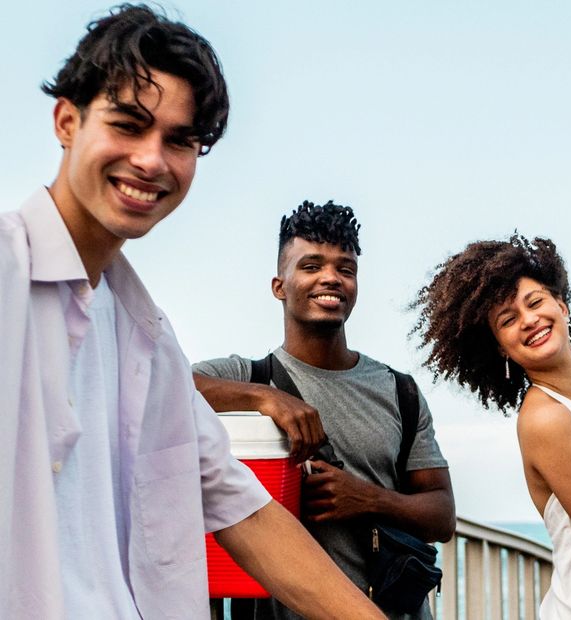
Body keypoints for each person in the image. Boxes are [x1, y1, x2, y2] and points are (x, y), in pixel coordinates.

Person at [0, 5, 382, 618]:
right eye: (128, 124)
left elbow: (243, 507)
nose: (152, 160)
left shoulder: (143, 335)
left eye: (180, 140)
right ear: (66, 121)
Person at [193, 200, 456, 620]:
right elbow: (163, 386)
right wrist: (266, 398)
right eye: (311, 266)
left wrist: (367, 498)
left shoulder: (399, 390)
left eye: (345, 269)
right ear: (280, 285)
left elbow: (442, 517)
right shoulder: (247, 376)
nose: (330, 277)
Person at [411, 234, 571, 619]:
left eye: (535, 302)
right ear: (500, 346)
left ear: (561, 305)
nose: (529, 320)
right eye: (508, 320)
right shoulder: (544, 419)